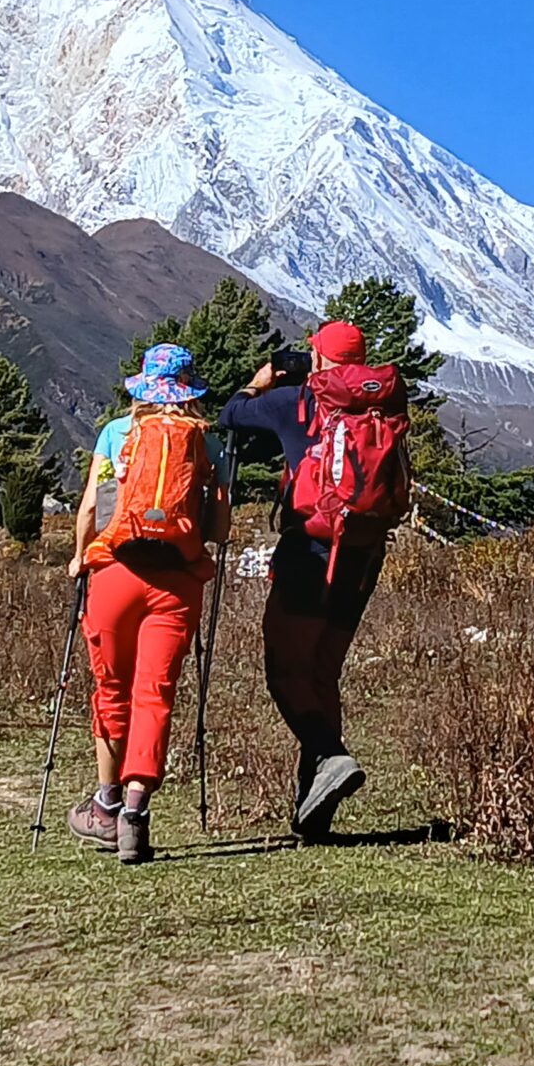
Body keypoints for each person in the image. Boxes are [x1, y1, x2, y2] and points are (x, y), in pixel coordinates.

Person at [219, 319, 410, 841]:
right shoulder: (385, 404)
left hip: (310, 552)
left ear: (319, 359)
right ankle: (315, 811)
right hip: (364, 554)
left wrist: (260, 382)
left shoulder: (297, 403)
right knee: (322, 672)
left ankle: (329, 755)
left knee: (285, 670)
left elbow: (231, 415)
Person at [65, 343, 230, 864]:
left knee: (111, 689)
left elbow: (91, 507)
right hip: (178, 583)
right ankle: (135, 814)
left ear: (143, 386)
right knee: (154, 693)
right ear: (190, 390)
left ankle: (105, 806)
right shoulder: (208, 441)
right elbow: (220, 527)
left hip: (116, 573)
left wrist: (79, 558)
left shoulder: (117, 433)